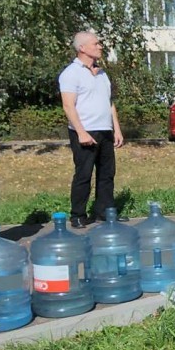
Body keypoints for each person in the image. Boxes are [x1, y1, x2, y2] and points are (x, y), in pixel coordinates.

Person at [58, 31, 124, 228]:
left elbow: (109, 103)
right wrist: (81, 132)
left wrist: (117, 129)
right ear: (82, 48)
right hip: (85, 130)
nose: (100, 47)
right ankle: (78, 214)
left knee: (107, 173)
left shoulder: (102, 74)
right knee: (83, 174)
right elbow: (68, 105)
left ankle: (104, 212)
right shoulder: (71, 73)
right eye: (96, 44)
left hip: (104, 130)